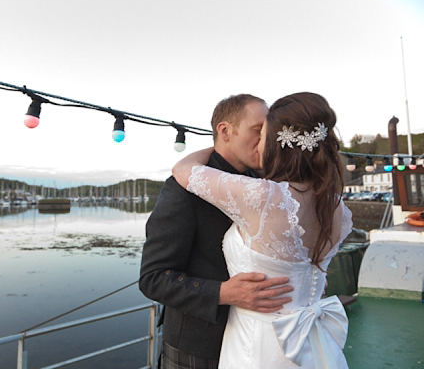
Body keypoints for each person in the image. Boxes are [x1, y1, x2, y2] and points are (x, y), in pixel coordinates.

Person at [172, 92, 353, 368]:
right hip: (313, 344)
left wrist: (216, 146)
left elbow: (183, 168)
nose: (258, 143)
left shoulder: (263, 197)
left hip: (258, 344)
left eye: (263, 133)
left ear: (279, 143)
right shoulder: (336, 206)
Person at [139, 94, 294, 368]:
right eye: (257, 131)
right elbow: (153, 278)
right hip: (200, 345)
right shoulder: (182, 188)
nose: (266, 142)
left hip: (262, 341)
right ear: (224, 131)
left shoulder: (265, 185)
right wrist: (224, 292)